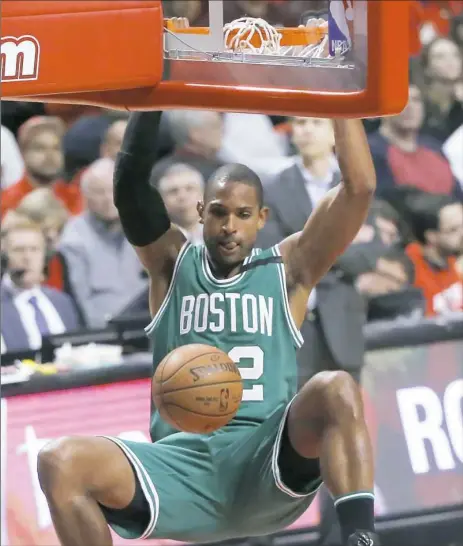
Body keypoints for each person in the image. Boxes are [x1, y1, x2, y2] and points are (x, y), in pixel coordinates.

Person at [38, 111, 379, 546]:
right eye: (219, 213)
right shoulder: (172, 263)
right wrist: (149, 102)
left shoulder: (290, 269)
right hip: (179, 466)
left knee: (335, 387)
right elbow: (129, 189)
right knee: (58, 460)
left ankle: (362, 538)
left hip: (265, 463)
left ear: (262, 217)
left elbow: (359, 189)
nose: (230, 227)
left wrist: (343, 108)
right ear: (201, 213)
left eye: (242, 214)